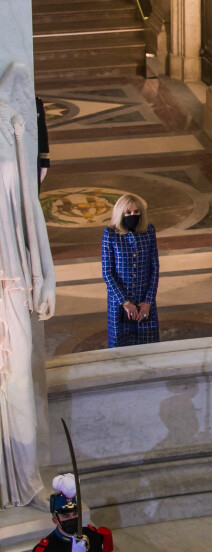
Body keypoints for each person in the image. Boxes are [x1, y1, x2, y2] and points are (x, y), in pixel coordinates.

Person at [0, 81, 56, 509]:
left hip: (12, 279)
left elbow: (29, 206)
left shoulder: (8, 120)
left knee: (18, 377)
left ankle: (26, 476)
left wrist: (47, 279)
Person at [27, 474, 113, 552]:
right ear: (55, 520)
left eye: (75, 513)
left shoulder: (92, 535)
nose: (72, 518)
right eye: (66, 515)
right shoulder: (47, 549)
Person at [101, 194, 160, 348]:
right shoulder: (110, 235)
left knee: (148, 346)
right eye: (128, 212)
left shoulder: (148, 231)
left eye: (136, 212)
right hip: (120, 303)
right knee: (121, 349)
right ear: (120, 213)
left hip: (144, 300)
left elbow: (155, 268)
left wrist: (148, 301)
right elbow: (107, 273)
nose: (132, 215)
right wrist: (125, 302)